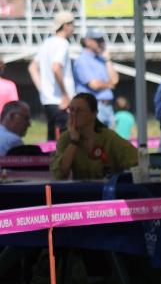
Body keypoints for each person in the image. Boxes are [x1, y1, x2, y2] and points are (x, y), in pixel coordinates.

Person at [50, 93, 137, 180]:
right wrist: (74, 141)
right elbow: (59, 174)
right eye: (71, 110)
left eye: (80, 110)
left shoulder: (109, 137)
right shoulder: (66, 138)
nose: (74, 114)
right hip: (78, 192)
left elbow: (136, 161)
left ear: (94, 114)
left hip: (107, 191)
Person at [28, 11, 75, 141]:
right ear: (66, 25)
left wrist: (43, 90)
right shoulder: (63, 43)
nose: (73, 28)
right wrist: (65, 95)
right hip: (61, 102)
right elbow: (56, 67)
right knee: (63, 144)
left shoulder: (46, 43)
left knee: (52, 143)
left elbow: (32, 68)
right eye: (72, 24)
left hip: (48, 101)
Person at [73, 29, 119, 128]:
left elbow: (115, 80)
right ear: (87, 41)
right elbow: (94, 85)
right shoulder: (82, 60)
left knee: (108, 142)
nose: (102, 43)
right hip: (92, 108)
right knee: (94, 141)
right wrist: (109, 84)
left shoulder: (102, 60)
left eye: (102, 40)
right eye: (98, 40)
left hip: (107, 108)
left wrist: (108, 59)